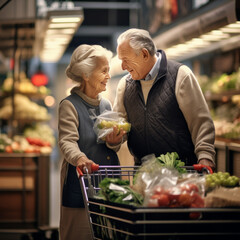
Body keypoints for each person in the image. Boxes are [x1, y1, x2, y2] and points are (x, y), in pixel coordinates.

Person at [106, 28, 215, 169]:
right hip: (143, 173)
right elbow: (121, 127)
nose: (122, 66)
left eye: (125, 60)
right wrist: (115, 140)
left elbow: (201, 122)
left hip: (180, 170)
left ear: (144, 54)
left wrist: (205, 156)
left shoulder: (180, 76)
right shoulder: (125, 85)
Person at [58, 44, 122, 240]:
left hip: (108, 181)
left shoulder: (106, 104)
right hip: (81, 181)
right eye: (104, 71)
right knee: (79, 233)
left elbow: (109, 144)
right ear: (86, 74)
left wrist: (114, 141)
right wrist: (80, 158)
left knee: (106, 233)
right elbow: (67, 141)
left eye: (108, 71)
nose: (108, 76)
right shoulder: (69, 105)